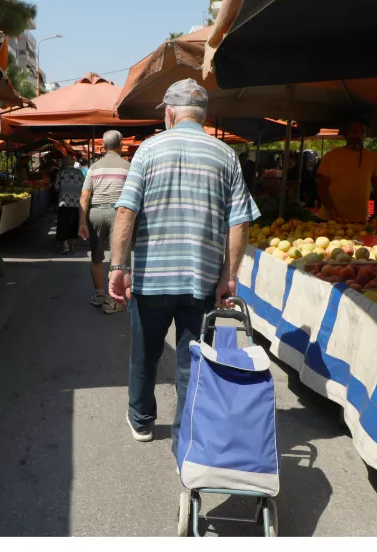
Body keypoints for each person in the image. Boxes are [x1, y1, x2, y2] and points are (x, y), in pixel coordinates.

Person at [108, 79, 260, 453]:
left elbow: (126, 211)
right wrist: (230, 277)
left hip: (151, 281)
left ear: (170, 113)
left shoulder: (147, 150)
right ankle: (185, 436)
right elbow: (240, 221)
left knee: (145, 353)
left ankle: (142, 421)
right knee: (192, 360)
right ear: (203, 116)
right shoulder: (225, 155)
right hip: (202, 280)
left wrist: (117, 266)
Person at [78, 130, 131, 314]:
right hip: (119, 213)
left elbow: (85, 196)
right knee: (119, 258)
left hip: (96, 213)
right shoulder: (128, 166)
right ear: (121, 145)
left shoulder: (94, 167)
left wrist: (82, 222)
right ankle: (112, 300)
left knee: (97, 256)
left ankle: (100, 294)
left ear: (104, 146)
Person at [317, 119, 377, 223]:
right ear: (346, 132)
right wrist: (333, 212)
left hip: (359, 221)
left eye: (362, 131)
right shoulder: (331, 156)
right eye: (353, 130)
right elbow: (322, 188)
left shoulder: (373, 157)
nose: (357, 134)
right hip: (330, 220)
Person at [54, 155, 84, 254]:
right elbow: (84, 188)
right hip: (76, 203)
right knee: (74, 224)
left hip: (63, 203)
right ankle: (73, 245)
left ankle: (65, 244)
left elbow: (56, 188)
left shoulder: (61, 173)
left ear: (65, 162)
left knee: (63, 224)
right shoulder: (79, 173)